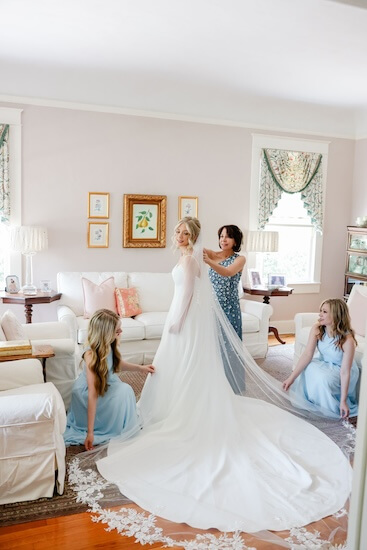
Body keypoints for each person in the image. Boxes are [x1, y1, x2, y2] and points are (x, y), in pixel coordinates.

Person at [93, 217, 352, 535]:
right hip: (181, 319)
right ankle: (166, 409)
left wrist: (176, 323)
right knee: (172, 370)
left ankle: (176, 413)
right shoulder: (188, 257)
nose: (178, 235)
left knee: (179, 369)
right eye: (177, 231)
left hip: (182, 322)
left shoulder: (192, 260)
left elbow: (187, 295)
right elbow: (191, 287)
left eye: (184, 232)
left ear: (192, 237)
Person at [63, 308, 155, 450]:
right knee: (124, 391)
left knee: (125, 391)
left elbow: (116, 364)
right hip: (88, 392)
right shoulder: (91, 356)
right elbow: (93, 394)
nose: (121, 333)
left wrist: (140, 368)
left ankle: (115, 421)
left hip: (106, 383)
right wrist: (90, 433)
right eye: (117, 331)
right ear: (105, 334)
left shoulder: (109, 345)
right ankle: (102, 425)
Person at [283, 298, 359, 418]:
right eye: (320, 311)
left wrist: (343, 401)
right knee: (307, 367)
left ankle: (332, 405)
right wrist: (291, 378)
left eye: (324, 312)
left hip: (342, 368)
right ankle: (314, 400)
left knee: (322, 377)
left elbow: (345, 372)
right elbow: (308, 354)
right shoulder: (317, 329)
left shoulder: (347, 340)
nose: (320, 314)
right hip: (324, 362)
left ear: (335, 315)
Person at [203, 225, 245, 339]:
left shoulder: (240, 259)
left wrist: (209, 261)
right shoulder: (213, 255)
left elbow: (227, 272)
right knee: (213, 341)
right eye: (221, 236)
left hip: (230, 307)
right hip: (212, 306)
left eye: (228, 237)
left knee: (230, 341)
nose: (223, 240)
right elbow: (196, 247)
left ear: (235, 240)